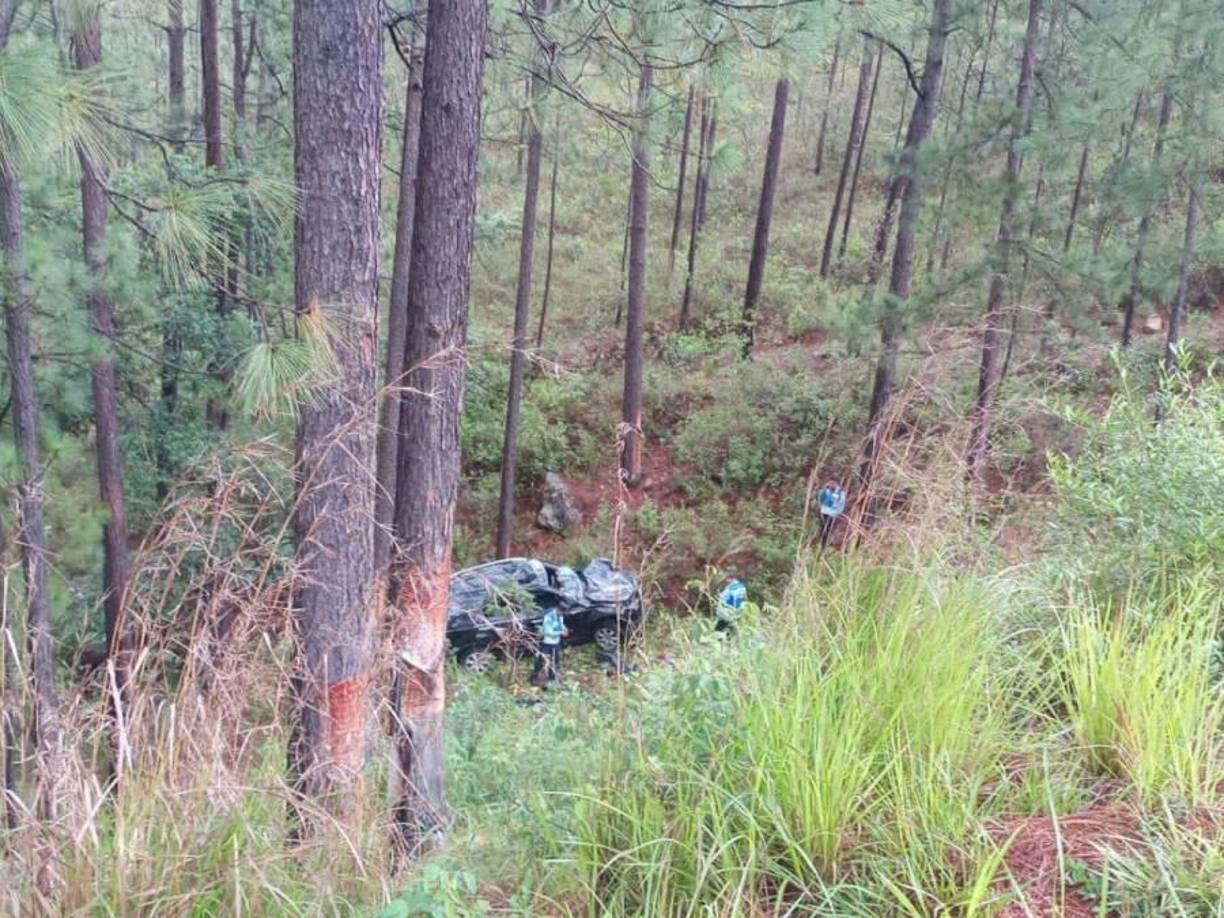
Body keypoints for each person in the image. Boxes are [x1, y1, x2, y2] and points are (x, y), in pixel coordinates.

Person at [531, 603, 567, 685]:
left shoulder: (560, 616)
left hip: (555, 642)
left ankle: (552, 678)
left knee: (555, 661)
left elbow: (561, 624)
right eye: (561, 613)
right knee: (541, 660)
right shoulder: (548, 617)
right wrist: (560, 633)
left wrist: (564, 628)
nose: (562, 615)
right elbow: (547, 632)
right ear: (558, 609)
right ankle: (535, 677)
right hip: (547, 643)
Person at [818, 478, 847, 548]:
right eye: (829, 483)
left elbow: (842, 503)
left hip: (832, 514)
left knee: (828, 529)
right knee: (822, 529)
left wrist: (838, 512)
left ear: (836, 483)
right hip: (824, 512)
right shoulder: (826, 490)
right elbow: (821, 498)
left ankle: (825, 544)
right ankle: (822, 544)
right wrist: (823, 489)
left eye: (832, 483)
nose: (830, 484)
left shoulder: (840, 492)